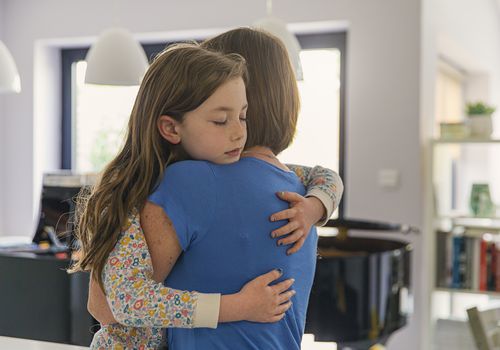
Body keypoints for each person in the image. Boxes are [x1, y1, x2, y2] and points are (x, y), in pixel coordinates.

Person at [73, 42, 342, 349]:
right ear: (171, 129)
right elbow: (125, 303)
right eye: (220, 120)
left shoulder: (206, 166)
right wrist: (237, 306)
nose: (239, 133)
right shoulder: (137, 193)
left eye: (243, 117)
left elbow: (321, 175)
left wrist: (315, 205)